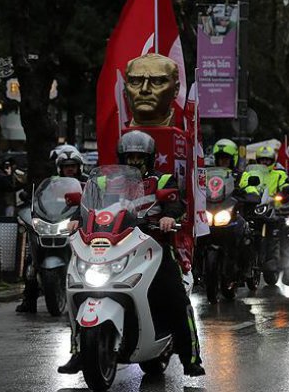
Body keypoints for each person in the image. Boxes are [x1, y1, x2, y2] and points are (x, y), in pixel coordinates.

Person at [58, 131, 205, 377]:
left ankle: (191, 357)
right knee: (77, 289)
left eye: (139, 156)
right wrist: (75, 219)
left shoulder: (162, 180)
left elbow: (176, 204)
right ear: (122, 157)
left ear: (149, 157)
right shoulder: (105, 182)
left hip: (152, 246)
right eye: (130, 156)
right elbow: (87, 203)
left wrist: (169, 216)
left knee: (176, 298)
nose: (135, 161)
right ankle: (78, 352)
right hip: (111, 244)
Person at [16, 144, 87, 313]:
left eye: (72, 166)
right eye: (66, 166)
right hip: (54, 222)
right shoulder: (52, 183)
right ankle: (29, 299)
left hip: (77, 223)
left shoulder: (87, 182)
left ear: (79, 166)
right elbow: (41, 200)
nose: (70, 169)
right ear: (59, 168)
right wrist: (31, 206)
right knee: (30, 259)